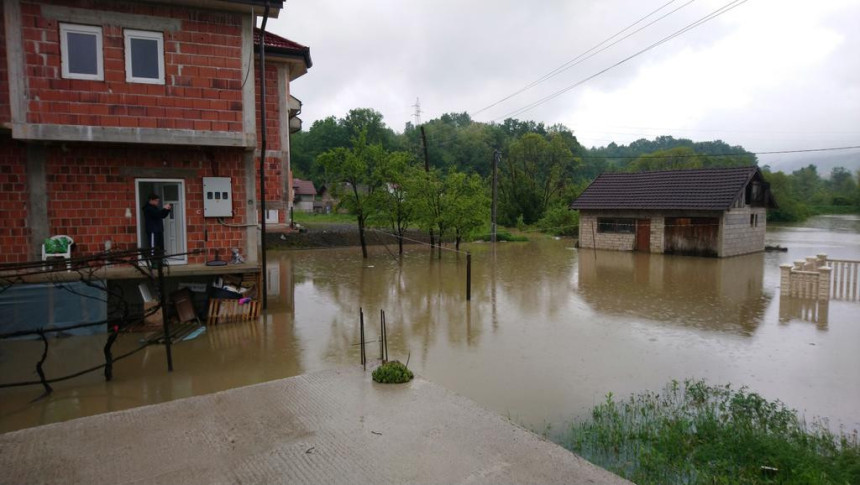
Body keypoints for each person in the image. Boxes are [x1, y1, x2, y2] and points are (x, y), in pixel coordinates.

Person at [142, 193, 172, 265]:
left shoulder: (155, 208)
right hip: (153, 230)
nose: (157, 202)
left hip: (159, 229)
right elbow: (157, 214)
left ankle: (160, 262)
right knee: (153, 247)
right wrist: (164, 209)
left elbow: (161, 215)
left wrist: (167, 210)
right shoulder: (148, 208)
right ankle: (153, 262)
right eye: (156, 201)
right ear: (151, 200)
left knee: (160, 247)